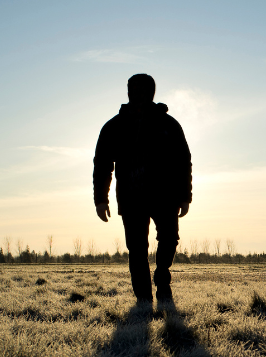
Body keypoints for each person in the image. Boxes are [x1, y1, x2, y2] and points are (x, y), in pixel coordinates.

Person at [93, 73, 192, 303]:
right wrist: (101, 199)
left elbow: (183, 161)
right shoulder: (114, 127)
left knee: (169, 239)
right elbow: (103, 164)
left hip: (165, 196)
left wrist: (185, 196)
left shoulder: (168, 124)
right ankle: (143, 300)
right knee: (137, 250)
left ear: (151, 92)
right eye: (131, 89)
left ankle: (162, 279)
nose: (135, 93)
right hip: (131, 198)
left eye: (140, 89)